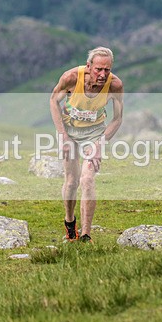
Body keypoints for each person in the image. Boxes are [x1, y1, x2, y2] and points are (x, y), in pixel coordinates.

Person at [49, 46, 124, 242]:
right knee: (72, 181)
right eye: (98, 69)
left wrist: (100, 144)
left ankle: (86, 235)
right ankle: (69, 222)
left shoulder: (115, 85)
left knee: (87, 179)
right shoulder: (71, 78)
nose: (102, 74)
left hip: (94, 133)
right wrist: (63, 136)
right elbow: (53, 101)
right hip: (70, 131)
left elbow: (117, 119)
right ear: (89, 66)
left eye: (107, 70)